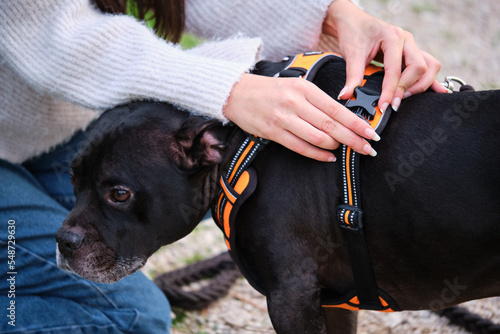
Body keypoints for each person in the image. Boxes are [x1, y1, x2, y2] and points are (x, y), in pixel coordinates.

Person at [0, 0, 448, 333]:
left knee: (89, 235)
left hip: (48, 132)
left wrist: (337, 15)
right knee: (127, 316)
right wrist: (227, 89)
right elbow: (53, 35)